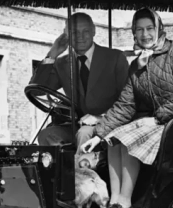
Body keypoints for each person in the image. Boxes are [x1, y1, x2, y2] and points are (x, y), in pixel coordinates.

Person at [81, 7, 173, 208]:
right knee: (113, 140)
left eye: (150, 28)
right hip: (154, 122)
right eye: (139, 30)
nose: (145, 35)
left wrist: (157, 118)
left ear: (159, 29)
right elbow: (126, 104)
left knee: (128, 141)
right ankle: (115, 202)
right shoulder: (136, 65)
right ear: (134, 33)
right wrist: (99, 135)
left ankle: (125, 202)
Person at [30, 12, 129, 146]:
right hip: (76, 125)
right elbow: (37, 90)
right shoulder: (61, 63)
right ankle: (63, 166)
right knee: (46, 135)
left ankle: (83, 166)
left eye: (86, 31)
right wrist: (53, 53)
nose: (80, 37)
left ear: (94, 31)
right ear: (66, 34)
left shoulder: (115, 58)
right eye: (75, 33)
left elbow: (127, 99)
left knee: (84, 133)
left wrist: (102, 117)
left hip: (110, 124)